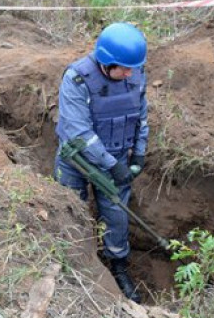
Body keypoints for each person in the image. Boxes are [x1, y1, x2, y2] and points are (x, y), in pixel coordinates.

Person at [54, 22, 148, 303]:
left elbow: (142, 115)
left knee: (117, 215)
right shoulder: (77, 80)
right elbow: (79, 133)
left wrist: (139, 152)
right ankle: (75, 265)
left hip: (116, 157)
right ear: (107, 62)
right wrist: (112, 165)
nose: (130, 74)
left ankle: (118, 265)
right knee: (71, 211)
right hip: (77, 161)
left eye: (133, 68)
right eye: (124, 68)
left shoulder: (134, 73)